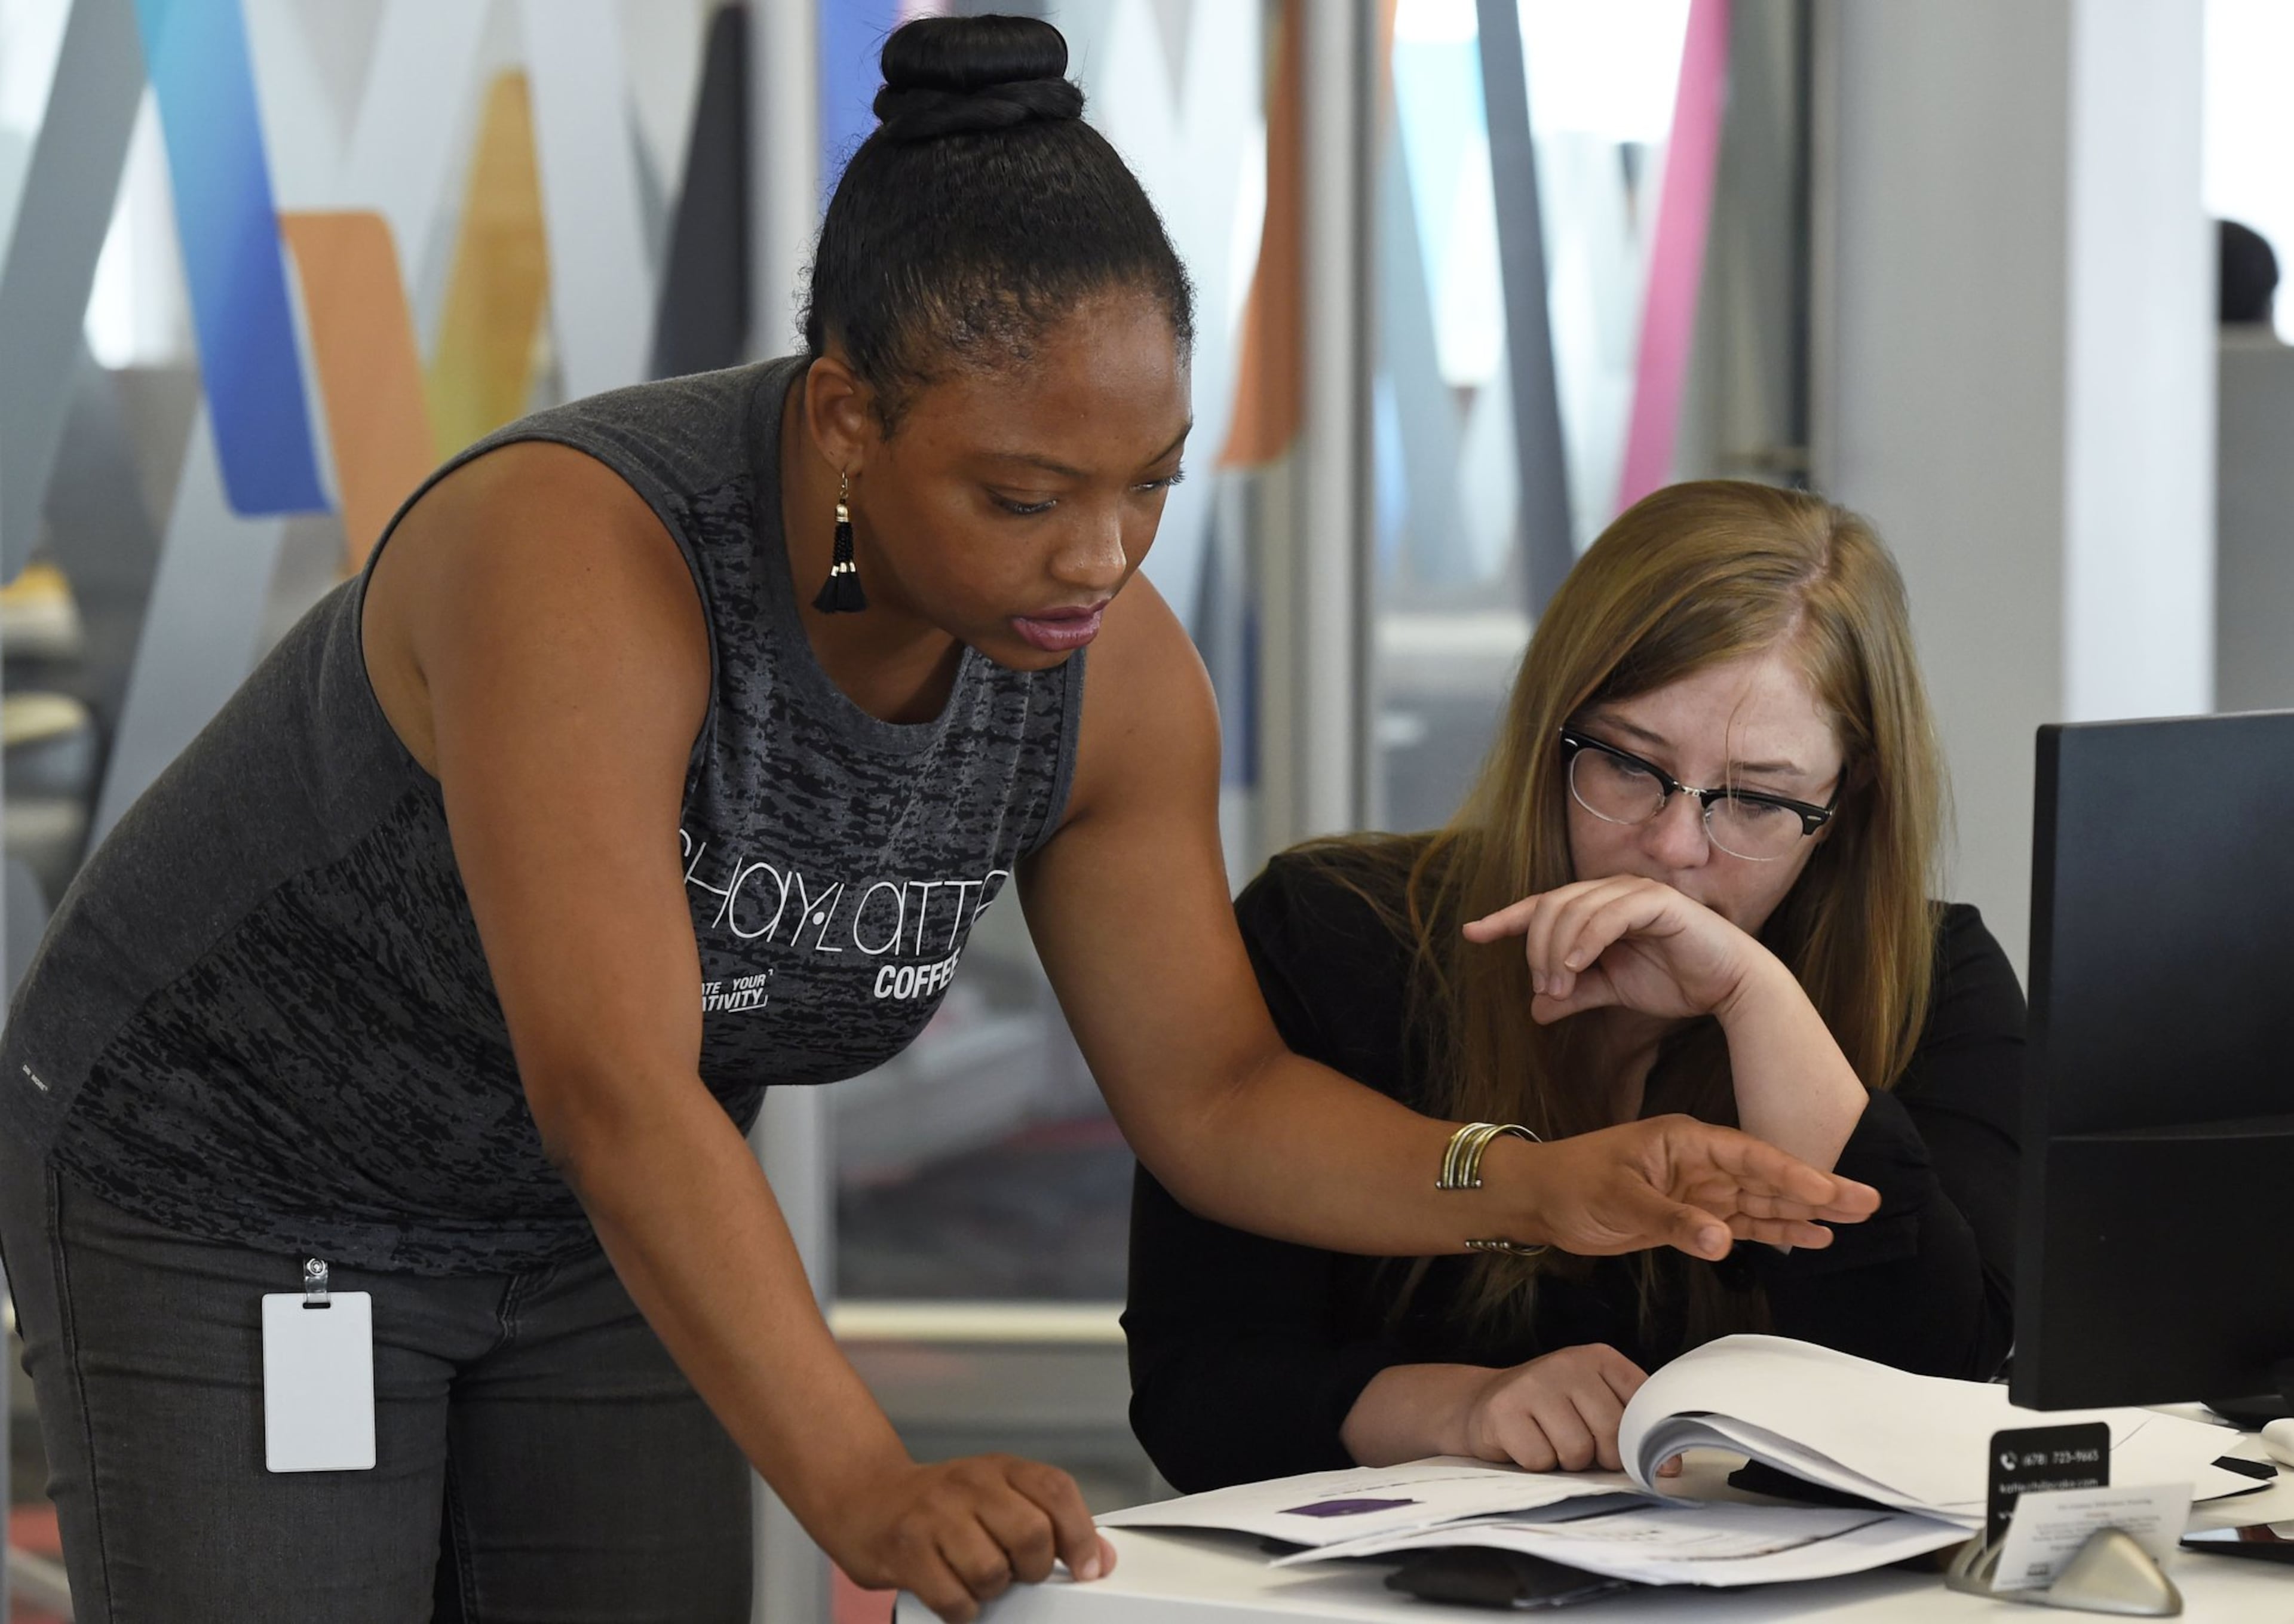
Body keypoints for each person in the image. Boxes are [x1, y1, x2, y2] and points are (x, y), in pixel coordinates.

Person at [0, 21, 1878, 1624]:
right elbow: (618, 1090)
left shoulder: (1109, 676)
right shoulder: (580, 559)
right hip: (231, 1186)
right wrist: (868, 1482)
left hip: (587, 1235)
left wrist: (1530, 1182)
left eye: (1149, 485)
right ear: (843, 418)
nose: (1100, 559)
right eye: (1024, 496)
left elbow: (1215, 1095)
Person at [1126, 481, 2023, 1494]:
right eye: (1629, 765)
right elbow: (1194, 1388)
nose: (1674, 848)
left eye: (1756, 800)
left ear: (1845, 804)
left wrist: (1753, 997)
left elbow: (1943, 1378)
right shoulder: (1334, 932)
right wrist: (1459, 1410)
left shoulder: (1935, 978)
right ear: (1551, 733)